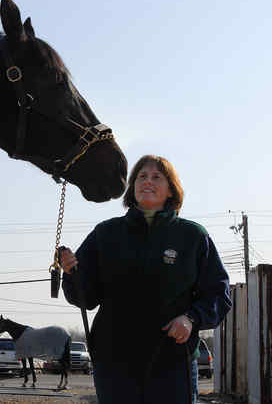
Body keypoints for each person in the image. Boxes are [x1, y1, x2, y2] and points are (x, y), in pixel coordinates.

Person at [60, 155, 231, 404]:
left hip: (172, 363)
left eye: (156, 177)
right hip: (115, 364)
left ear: (171, 188)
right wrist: (71, 272)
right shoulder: (105, 233)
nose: (147, 181)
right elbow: (86, 297)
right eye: (141, 176)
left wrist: (191, 318)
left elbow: (219, 293)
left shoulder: (192, 236)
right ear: (132, 186)